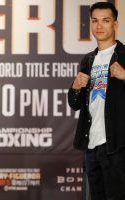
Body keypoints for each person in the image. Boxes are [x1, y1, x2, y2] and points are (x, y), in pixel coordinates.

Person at [68, 2, 125, 200]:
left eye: (106, 20)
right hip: (91, 145)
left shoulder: (124, 56)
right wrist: (75, 86)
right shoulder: (88, 60)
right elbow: (74, 104)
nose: (99, 26)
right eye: (95, 21)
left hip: (117, 146)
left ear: (115, 25)